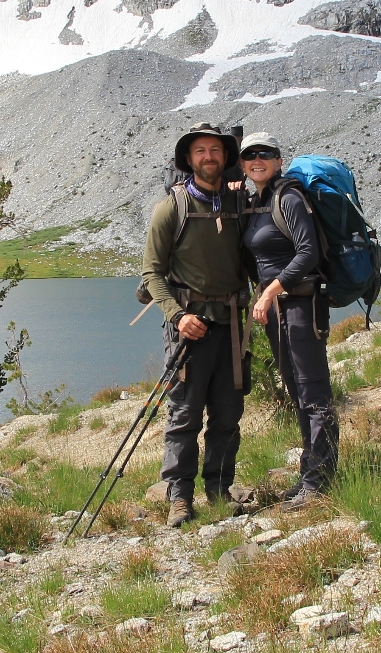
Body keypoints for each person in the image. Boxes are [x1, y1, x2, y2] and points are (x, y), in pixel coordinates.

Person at [141, 123, 250, 528]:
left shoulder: (238, 204)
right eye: (200, 151)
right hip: (188, 327)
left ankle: (220, 491)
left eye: (215, 150)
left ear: (226, 157)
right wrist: (178, 316)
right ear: (188, 159)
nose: (209, 157)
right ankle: (179, 498)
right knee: (184, 415)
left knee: (227, 414)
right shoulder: (172, 207)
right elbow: (152, 273)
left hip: (231, 328)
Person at [237, 131, 338, 510]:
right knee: (297, 391)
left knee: (313, 393)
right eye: (249, 155)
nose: (257, 159)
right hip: (278, 309)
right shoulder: (255, 202)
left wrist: (269, 290)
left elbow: (308, 251)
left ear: (279, 160)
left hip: (300, 305)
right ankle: (310, 472)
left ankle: (322, 480)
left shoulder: (289, 197)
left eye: (265, 154)